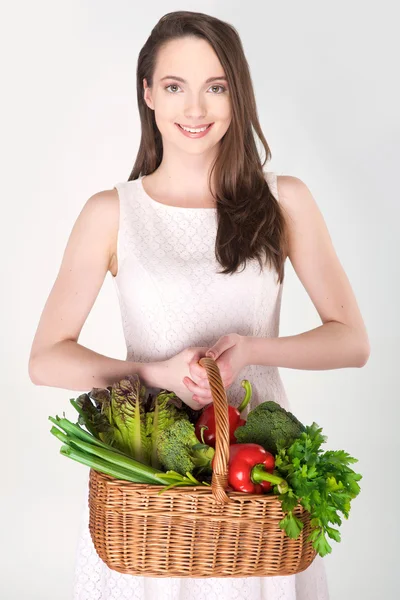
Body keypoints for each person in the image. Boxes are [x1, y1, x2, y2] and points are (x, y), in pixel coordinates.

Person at [29, 10, 370, 600]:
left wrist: (252, 350)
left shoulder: (283, 201)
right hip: (149, 506)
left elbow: (351, 340)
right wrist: (149, 373)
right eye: (174, 87)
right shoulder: (111, 213)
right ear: (147, 95)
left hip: (257, 492)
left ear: (237, 93)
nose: (195, 109)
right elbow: (45, 359)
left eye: (215, 87)